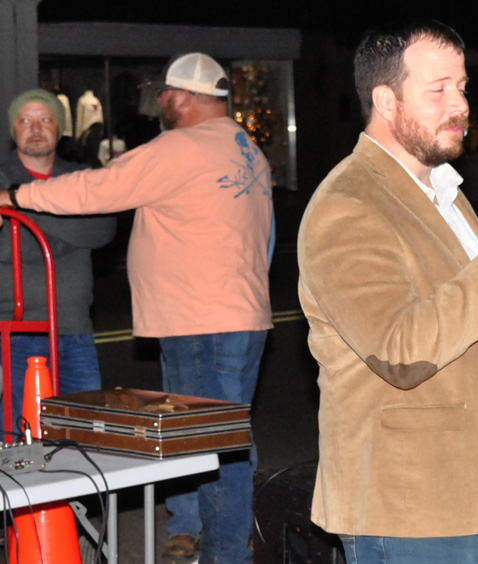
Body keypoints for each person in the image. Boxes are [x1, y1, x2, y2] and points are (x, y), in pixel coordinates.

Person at [296, 20, 478, 564]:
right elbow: (400, 350)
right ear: (386, 100)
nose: (460, 105)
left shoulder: (446, 194)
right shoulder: (348, 205)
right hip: (413, 509)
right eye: (438, 89)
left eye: (463, 88)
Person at [1, 53, 273, 564]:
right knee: (225, 438)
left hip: (202, 323)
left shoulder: (181, 147)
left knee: (209, 444)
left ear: (185, 97)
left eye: (165, 92)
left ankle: (227, 553)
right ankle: (211, 536)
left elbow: (99, 189)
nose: (160, 100)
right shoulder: (244, 147)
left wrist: (15, 196)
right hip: (236, 315)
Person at [0, 88, 116, 433]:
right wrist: (69, 222)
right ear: (13, 130)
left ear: (60, 127)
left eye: (45, 119)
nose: (35, 128)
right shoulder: (2, 178)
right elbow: (8, 250)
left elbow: (102, 229)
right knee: (20, 440)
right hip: (15, 333)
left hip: (75, 330)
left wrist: (17, 209)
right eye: (25, 120)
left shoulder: (81, 177)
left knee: (83, 439)